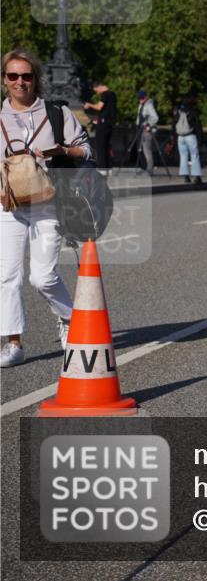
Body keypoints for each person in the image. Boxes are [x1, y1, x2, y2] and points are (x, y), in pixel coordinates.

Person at [1, 49, 92, 368]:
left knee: (41, 276)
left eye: (26, 76)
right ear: (4, 80)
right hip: (9, 205)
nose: (20, 82)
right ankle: (13, 343)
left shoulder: (56, 113)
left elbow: (86, 148)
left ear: (35, 79)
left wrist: (63, 149)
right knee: (7, 276)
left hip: (48, 201)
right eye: (12, 76)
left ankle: (72, 321)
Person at [83, 80, 116, 172]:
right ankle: (108, 167)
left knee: (100, 146)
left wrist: (89, 104)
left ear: (99, 86)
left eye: (96, 90)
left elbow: (99, 107)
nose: (97, 93)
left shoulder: (105, 94)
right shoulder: (113, 94)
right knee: (106, 145)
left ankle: (102, 167)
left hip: (103, 124)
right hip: (110, 124)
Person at [172, 95, 204, 184]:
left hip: (180, 137)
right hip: (190, 136)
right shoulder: (193, 111)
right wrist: (200, 138)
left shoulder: (178, 111)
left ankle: (185, 176)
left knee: (183, 156)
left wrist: (174, 137)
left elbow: (173, 124)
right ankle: (196, 176)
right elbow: (197, 125)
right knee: (194, 155)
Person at [134, 90, 159, 175]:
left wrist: (148, 125)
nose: (140, 100)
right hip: (140, 130)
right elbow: (139, 117)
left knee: (147, 150)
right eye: (139, 98)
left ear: (145, 97)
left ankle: (149, 169)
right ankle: (143, 167)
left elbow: (155, 118)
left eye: (141, 98)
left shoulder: (149, 105)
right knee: (140, 149)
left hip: (147, 130)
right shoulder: (141, 104)